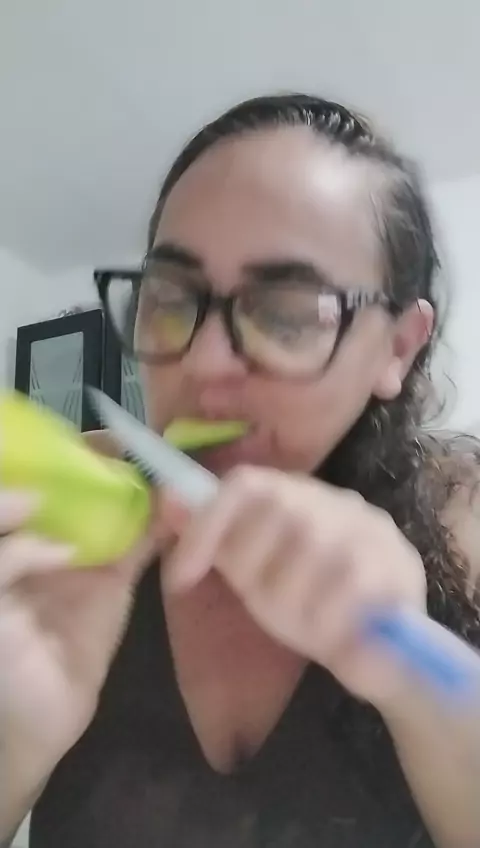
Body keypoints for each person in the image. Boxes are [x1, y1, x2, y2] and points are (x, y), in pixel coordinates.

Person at [2, 94, 480, 848]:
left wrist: (416, 674)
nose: (202, 361)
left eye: (287, 311)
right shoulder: (61, 513)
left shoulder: (463, 514)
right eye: (170, 297)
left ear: (399, 346)